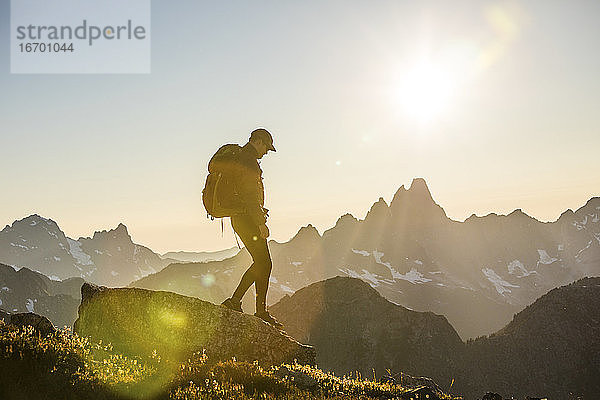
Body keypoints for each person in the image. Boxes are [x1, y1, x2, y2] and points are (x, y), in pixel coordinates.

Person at [220, 128, 283, 329]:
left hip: (241, 219)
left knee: (262, 262)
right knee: (265, 263)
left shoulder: (242, 158)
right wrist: (260, 223)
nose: (266, 152)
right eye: (266, 147)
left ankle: (238, 302)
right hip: (247, 220)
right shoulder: (248, 161)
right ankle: (254, 309)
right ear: (258, 141)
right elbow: (249, 197)